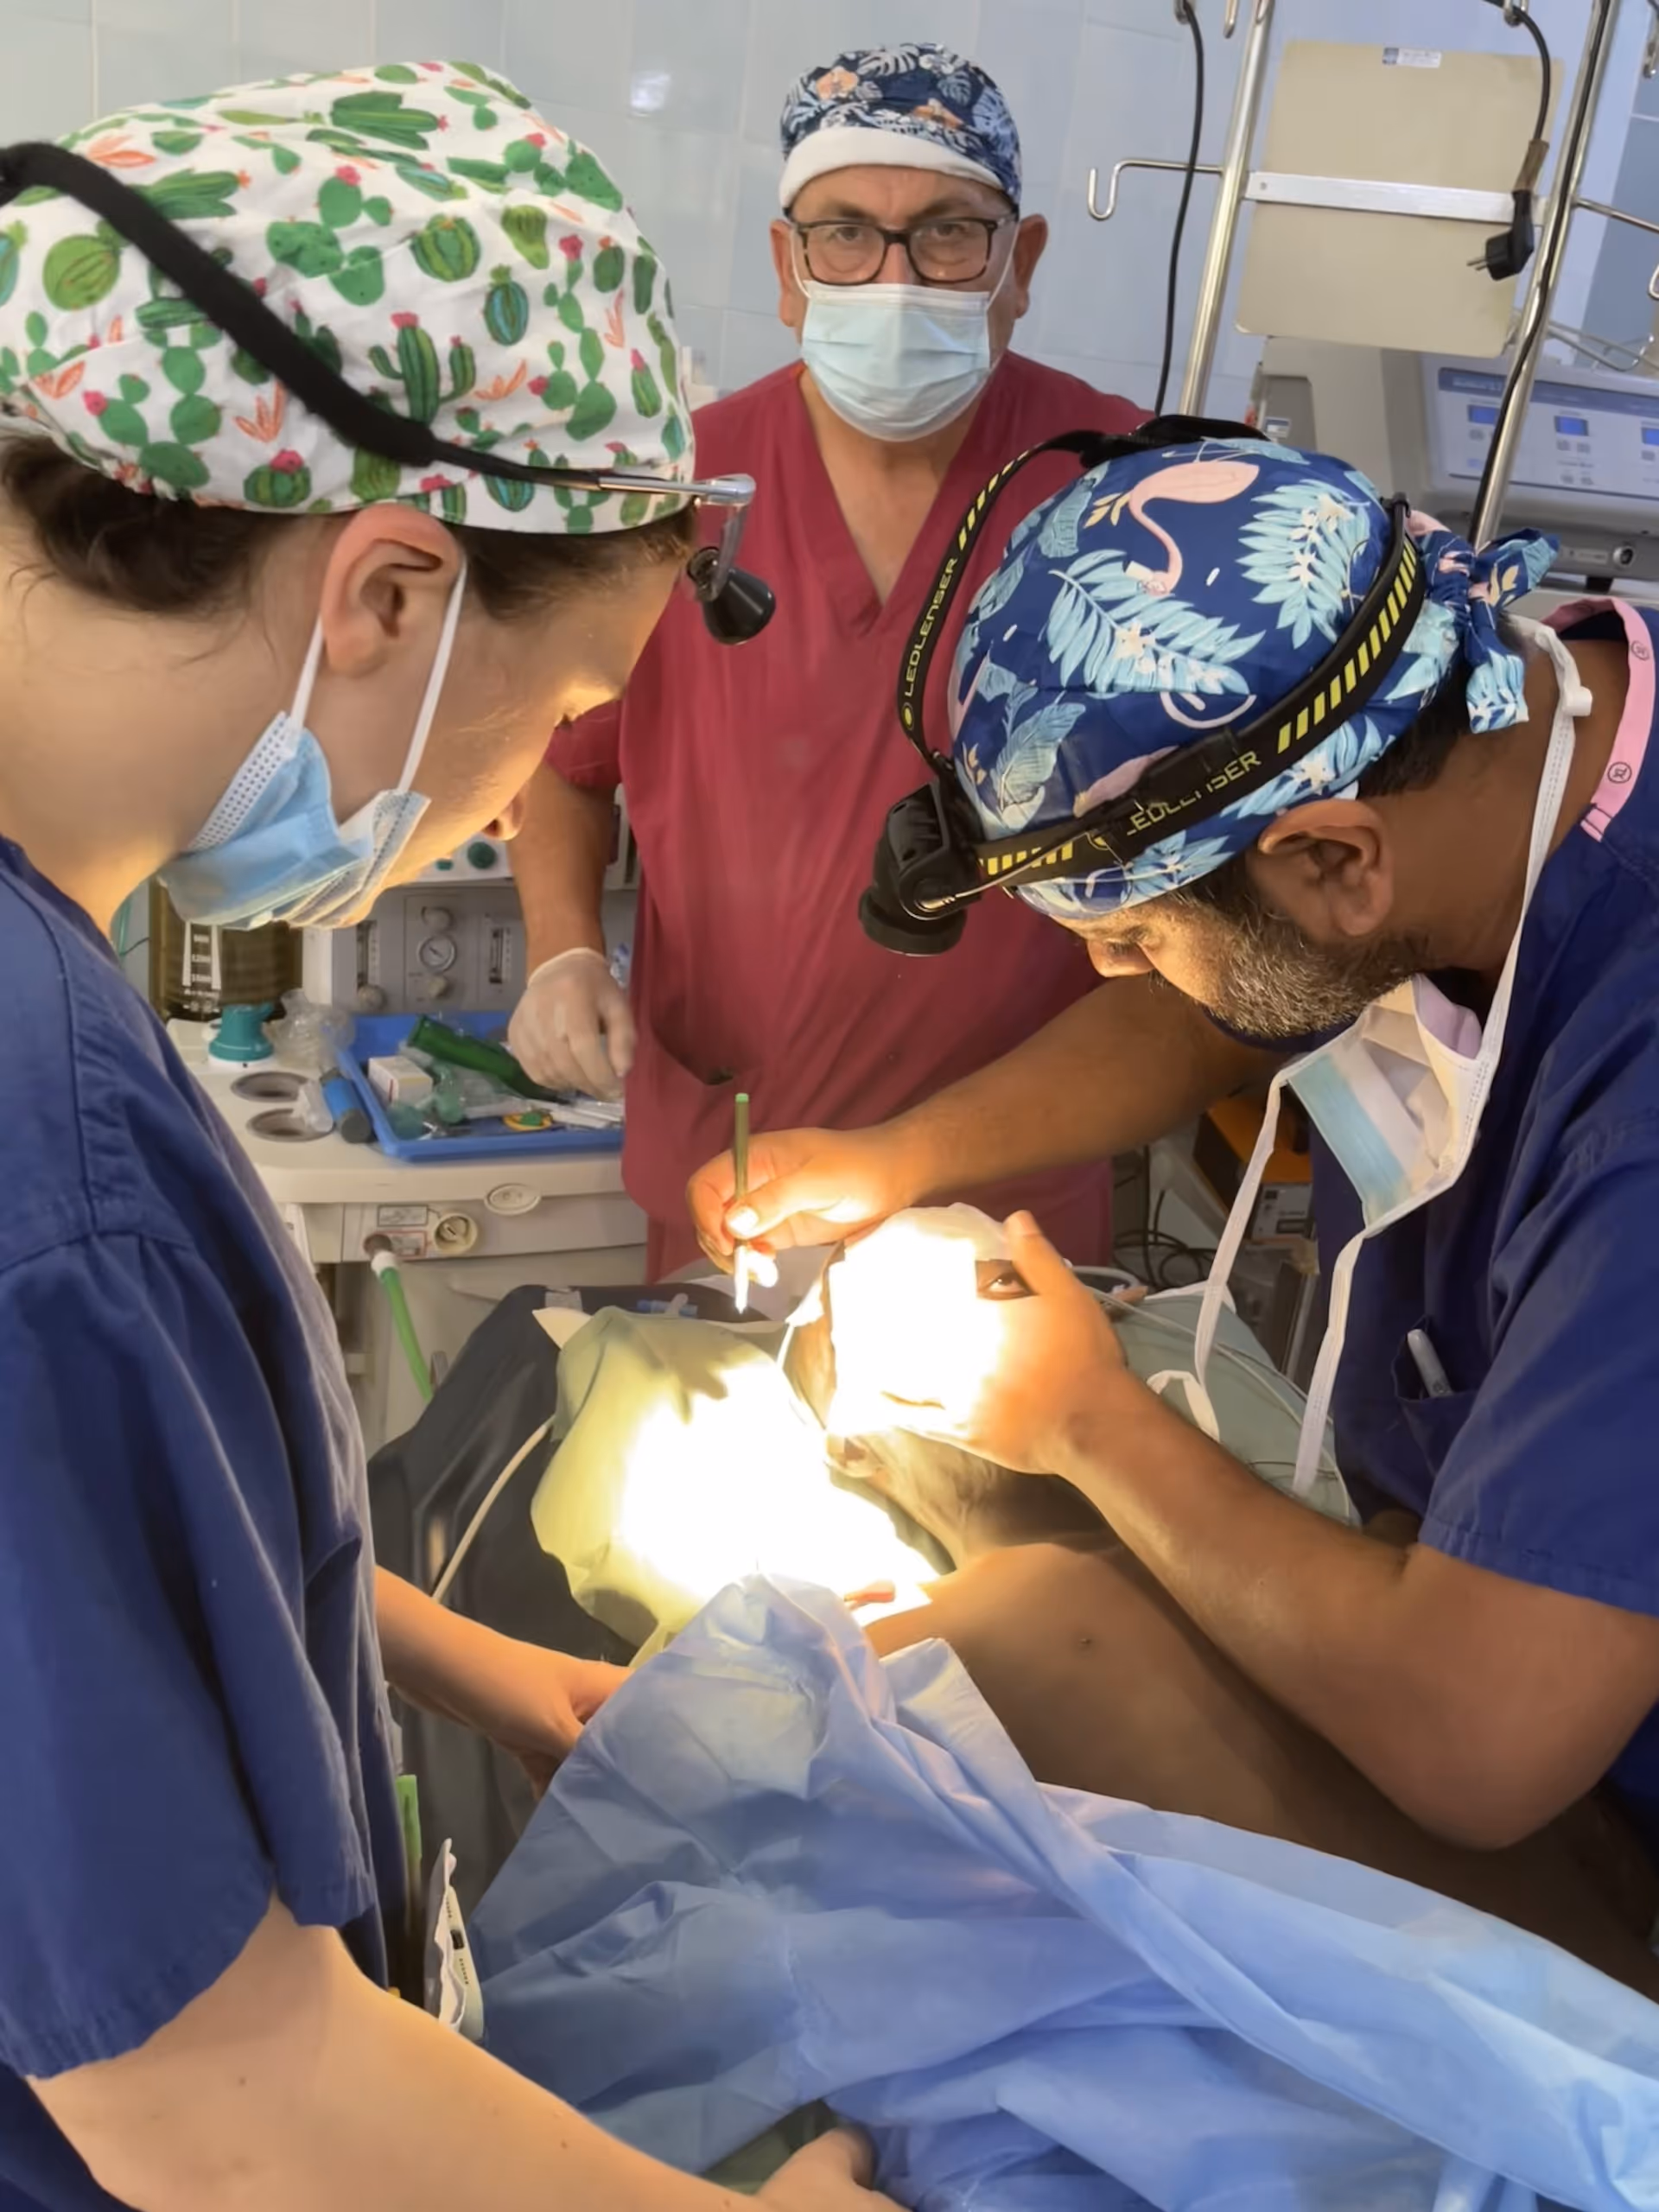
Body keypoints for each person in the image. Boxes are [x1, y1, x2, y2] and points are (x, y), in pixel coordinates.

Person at [0, 70, 890, 2212]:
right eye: (566, 713)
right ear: (387, 593)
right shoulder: (52, 1174)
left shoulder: (58, 986)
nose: (509, 798)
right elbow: (225, 2105)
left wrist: (457, 1656)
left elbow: (79, 1584)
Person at [690, 429, 1659, 1876]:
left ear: (1337, 857)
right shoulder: (1488, 713)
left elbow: (1480, 1737)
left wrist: (1085, 1419)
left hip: (1583, 1792)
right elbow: (1250, 989)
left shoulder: (1632, 1114)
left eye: (1136, 937)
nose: (1120, 973)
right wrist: (900, 1154)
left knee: (1036, 1644)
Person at [507, 45, 1143, 1277]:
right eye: (844, 234)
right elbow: (559, 756)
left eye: (948, 234)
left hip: (1004, 1188)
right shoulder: (679, 490)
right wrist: (562, 948)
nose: (893, 279)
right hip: (729, 1167)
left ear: (1021, 265)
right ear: (786, 268)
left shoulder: (1125, 492)